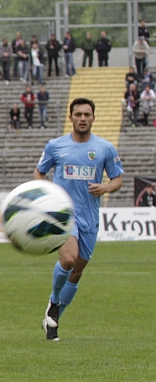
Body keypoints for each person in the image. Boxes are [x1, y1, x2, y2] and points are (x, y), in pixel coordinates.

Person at [35, 98, 123, 341]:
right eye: (78, 114)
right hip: (63, 215)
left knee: (76, 273)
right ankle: (54, 301)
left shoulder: (105, 148)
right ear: (70, 117)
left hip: (89, 217)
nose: (82, 118)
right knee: (68, 259)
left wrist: (105, 188)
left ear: (93, 117)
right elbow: (39, 172)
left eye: (86, 114)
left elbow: (117, 179)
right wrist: (48, 195)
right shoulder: (55, 146)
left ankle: (53, 320)